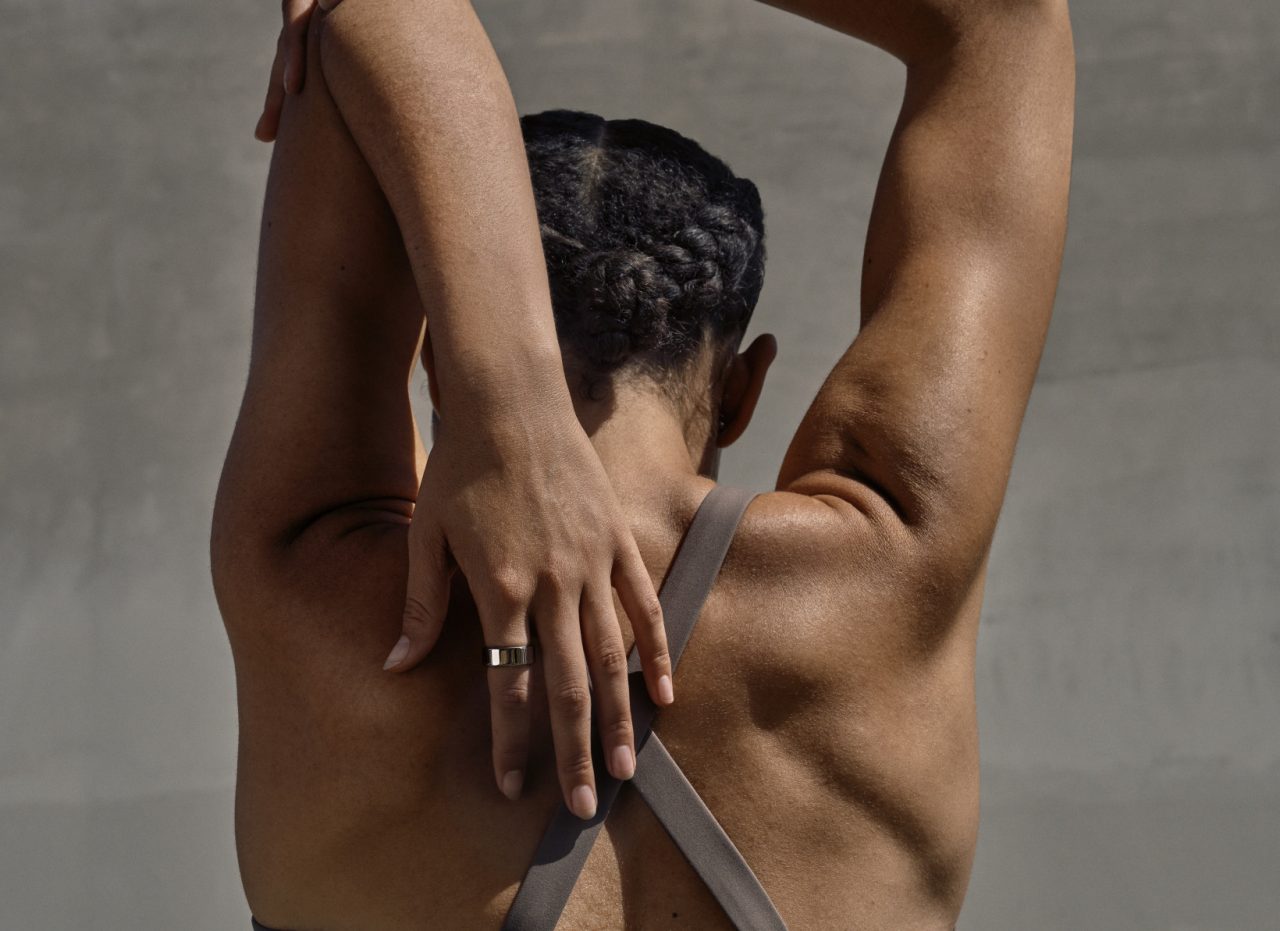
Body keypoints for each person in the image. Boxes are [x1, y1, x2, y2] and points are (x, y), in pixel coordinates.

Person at [211, 0, 1075, 928]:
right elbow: (1007, 23)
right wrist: (514, 414)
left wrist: (508, 401)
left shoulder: (313, 590)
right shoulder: (888, 568)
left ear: (434, 359)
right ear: (742, 391)